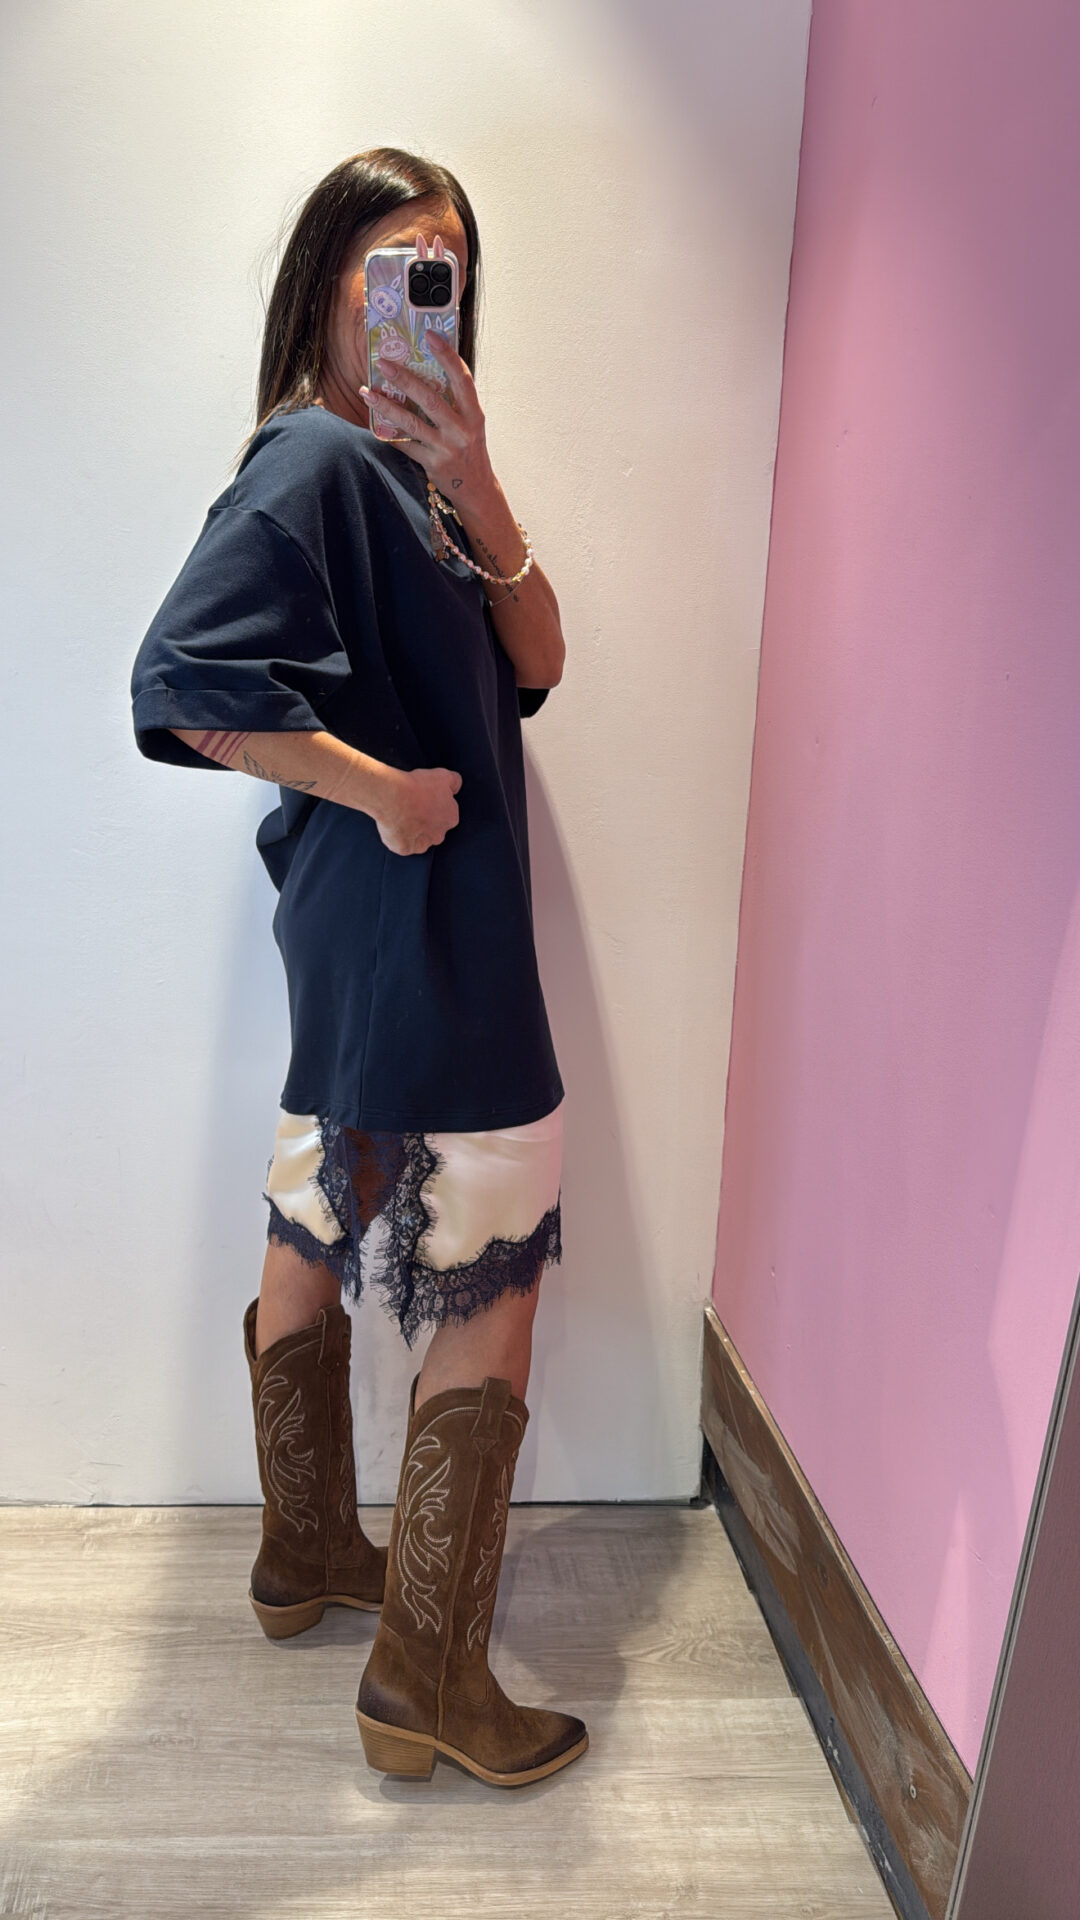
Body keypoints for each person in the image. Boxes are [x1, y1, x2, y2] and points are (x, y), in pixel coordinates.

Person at [129, 147, 587, 1787]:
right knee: (496, 1239)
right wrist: (380, 790)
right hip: (413, 910)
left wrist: (481, 478)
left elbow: (541, 658)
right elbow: (180, 680)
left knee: (329, 1185)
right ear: (330, 282)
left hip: (368, 922)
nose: (422, 293)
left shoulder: (417, 481)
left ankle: (307, 1551)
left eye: (446, 271)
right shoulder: (313, 455)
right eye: (395, 262)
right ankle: (427, 1685)